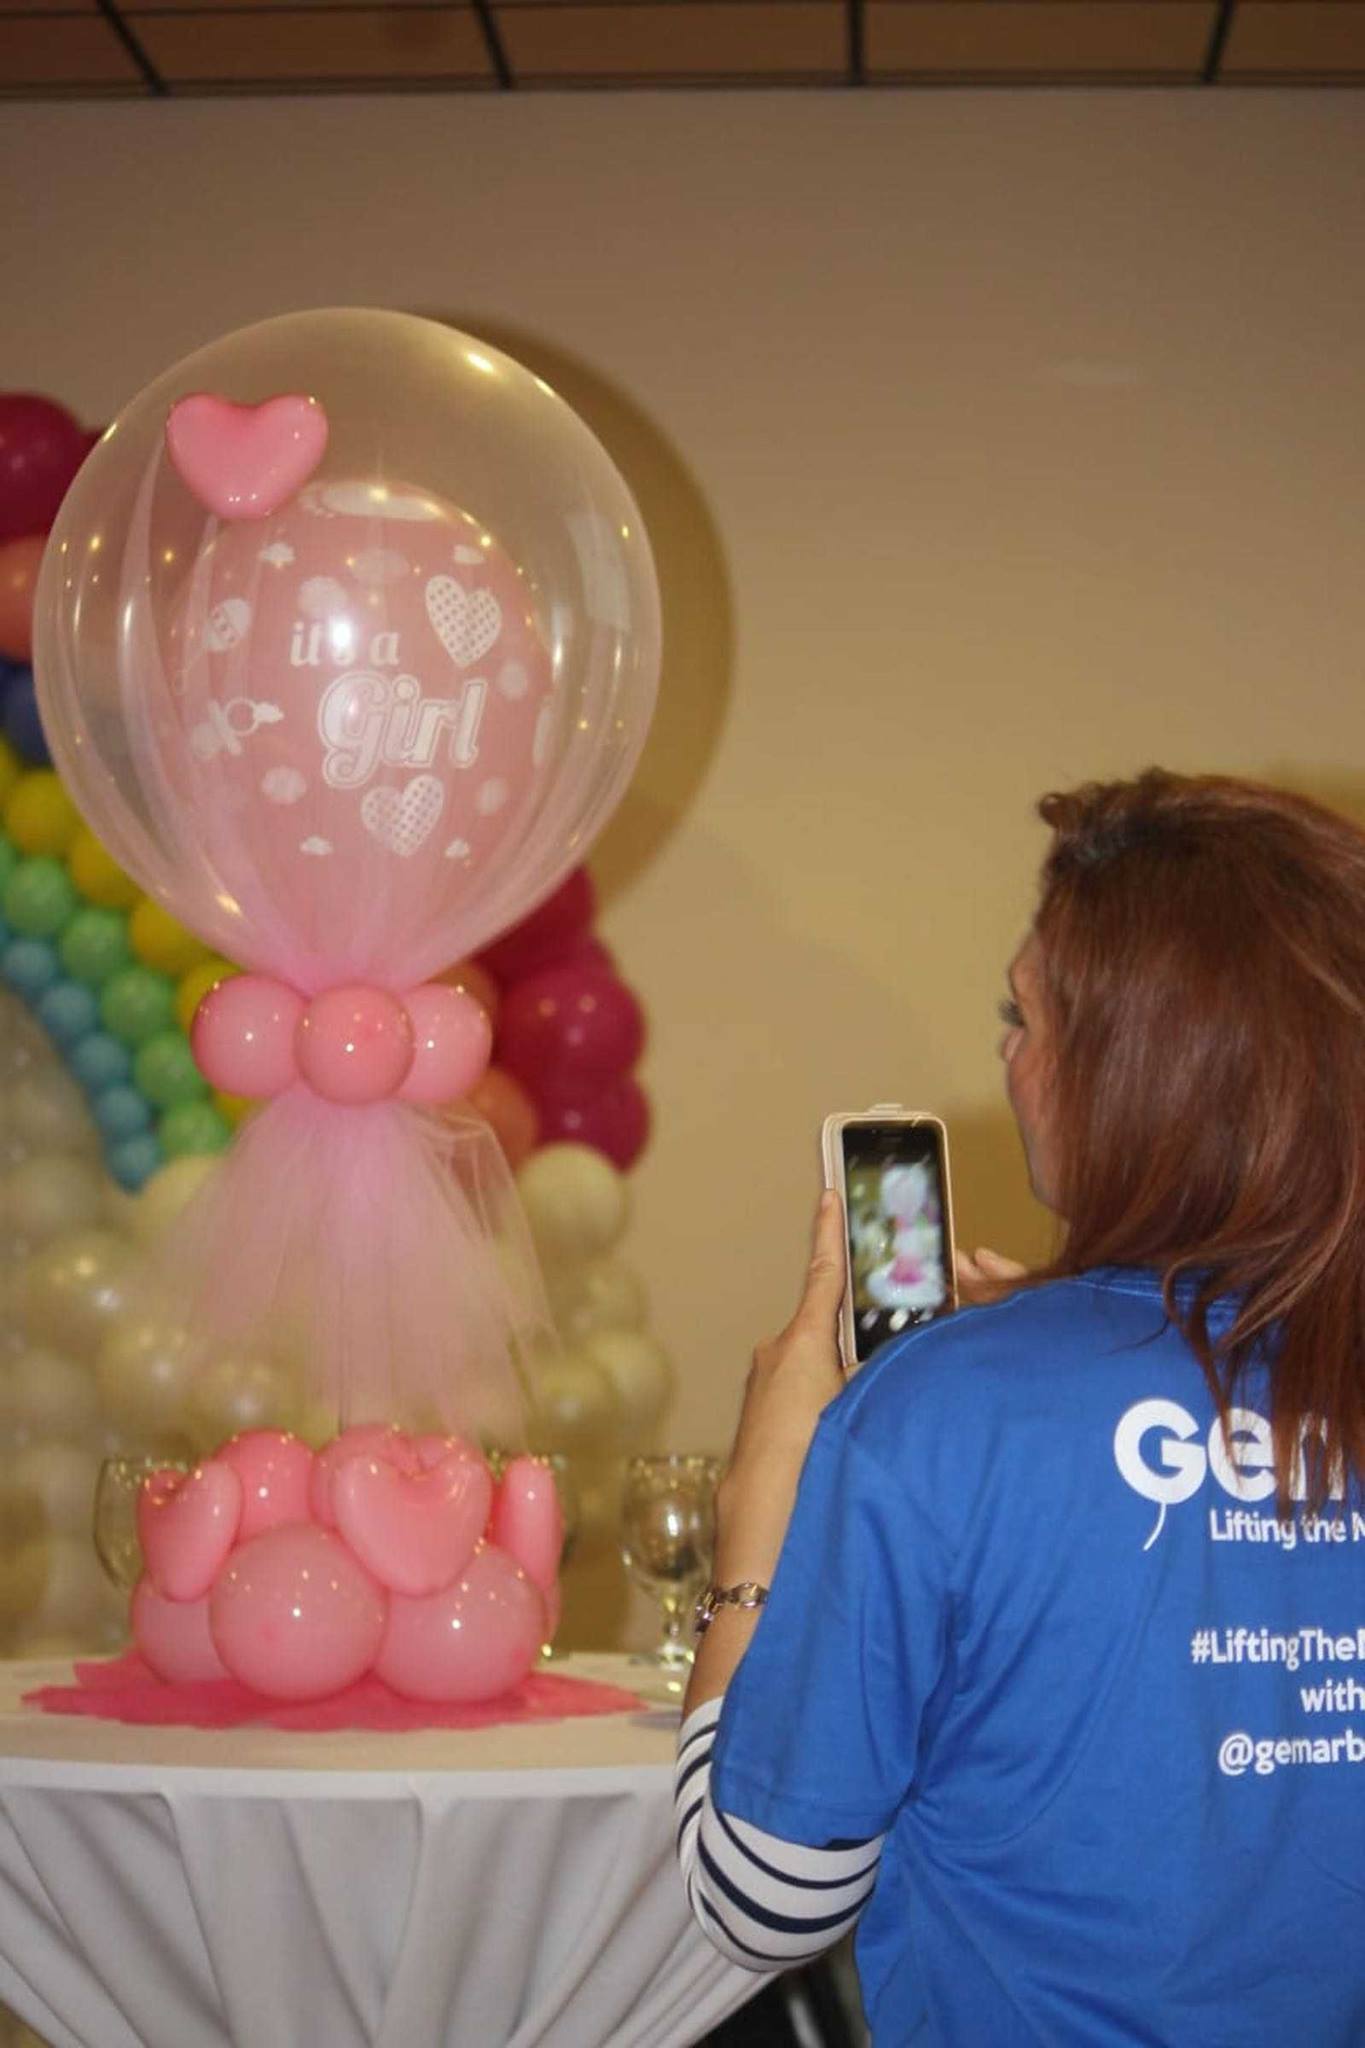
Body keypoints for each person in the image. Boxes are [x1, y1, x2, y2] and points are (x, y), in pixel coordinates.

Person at [676, 769, 1365, 2045]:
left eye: (1023, 1012)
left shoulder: (942, 1410)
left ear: (1138, 1069)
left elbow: (760, 1900)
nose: (1007, 1051)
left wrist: (763, 1503)